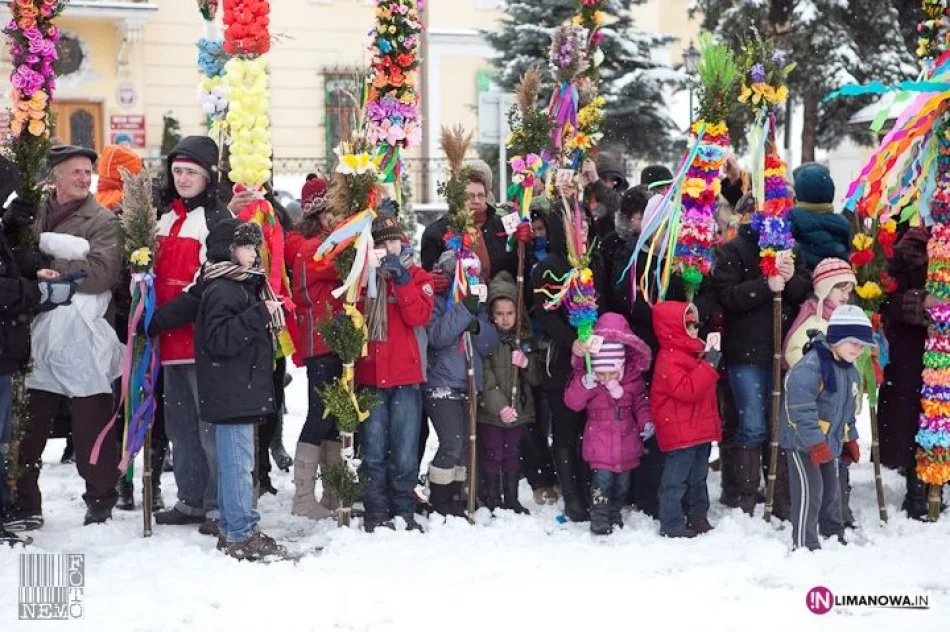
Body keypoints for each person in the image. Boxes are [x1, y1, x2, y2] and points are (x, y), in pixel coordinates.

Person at [16, 145, 123, 528]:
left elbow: (102, 274)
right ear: (55, 176)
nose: (83, 178)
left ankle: (100, 498)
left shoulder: (103, 219)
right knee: (29, 425)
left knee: (90, 422)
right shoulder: (32, 212)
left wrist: (50, 267)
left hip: (83, 335)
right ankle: (24, 501)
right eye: (75, 172)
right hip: (38, 330)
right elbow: (16, 257)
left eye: (87, 172)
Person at [150, 136, 232, 534]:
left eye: (191, 173)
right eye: (177, 171)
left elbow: (208, 284)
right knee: (180, 428)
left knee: (210, 429)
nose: (182, 179)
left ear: (208, 177)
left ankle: (218, 504)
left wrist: (163, 317)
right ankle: (191, 499)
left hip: (201, 342)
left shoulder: (218, 220)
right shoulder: (165, 218)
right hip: (167, 346)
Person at [712, 194, 811, 515]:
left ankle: (779, 494)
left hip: (782, 352)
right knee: (752, 424)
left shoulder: (790, 248)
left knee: (780, 424)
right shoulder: (734, 250)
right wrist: (764, 285)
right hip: (747, 353)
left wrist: (790, 277)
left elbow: (801, 293)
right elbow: (728, 296)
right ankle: (744, 494)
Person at [195, 218, 285, 560]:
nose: (255, 253)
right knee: (236, 463)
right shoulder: (223, 289)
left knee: (237, 461)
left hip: (238, 388)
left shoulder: (240, 285)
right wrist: (258, 314)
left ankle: (235, 524)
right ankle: (240, 531)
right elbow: (219, 340)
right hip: (231, 390)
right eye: (248, 246)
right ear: (229, 250)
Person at [0, 157, 78, 541]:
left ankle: (3, 508)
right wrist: (39, 292)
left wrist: (28, 264)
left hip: (5, 349)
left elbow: (7, 268)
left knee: (3, 436)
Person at [357, 215, 434, 532]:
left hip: (405, 379)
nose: (388, 249)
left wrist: (401, 280)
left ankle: (403, 508)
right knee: (373, 450)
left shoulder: (417, 276)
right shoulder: (362, 278)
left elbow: (418, 316)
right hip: (371, 377)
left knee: (404, 451)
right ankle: (375, 508)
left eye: (393, 242)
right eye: (381, 243)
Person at [532, 203, 606, 522]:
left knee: (592, 428)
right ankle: (573, 497)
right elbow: (545, 314)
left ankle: (593, 490)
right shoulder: (548, 267)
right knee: (564, 429)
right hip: (562, 359)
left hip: (596, 356)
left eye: (587, 223)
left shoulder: (597, 262)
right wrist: (570, 339)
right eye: (577, 225)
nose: (584, 229)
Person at [780, 305, 872, 550]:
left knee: (832, 490)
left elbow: (847, 412)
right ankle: (804, 543)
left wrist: (849, 439)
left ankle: (832, 532)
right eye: (853, 342)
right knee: (811, 491)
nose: (858, 349)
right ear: (837, 337)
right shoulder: (811, 366)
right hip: (802, 443)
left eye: (862, 345)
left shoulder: (849, 371)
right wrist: (814, 442)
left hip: (828, 442)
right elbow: (799, 408)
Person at [284, 174, 344, 520]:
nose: (336, 218)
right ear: (316, 214)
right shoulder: (309, 247)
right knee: (319, 415)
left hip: (335, 339)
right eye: (331, 212)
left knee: (333, 417)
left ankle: (333, 493)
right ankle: (303, 497)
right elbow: (341, 263)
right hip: (319, 340)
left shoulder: (325, 241)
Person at [564, 313, 653, 535]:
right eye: (600, 373)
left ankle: (615, 511)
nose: (605, 379)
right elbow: (572, 403)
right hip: (599, 442)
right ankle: (600, 514)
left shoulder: (632, 383)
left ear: (621, 368)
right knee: (601, 483)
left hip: (626, 442)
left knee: (622, 484)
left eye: (610, 373)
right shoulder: (590, 383)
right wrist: (584, 384)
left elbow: (641, 403)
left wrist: (646, 422)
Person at [426, 250, 499, 518]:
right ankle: (439, 497)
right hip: (442, 383)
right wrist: (463, 310)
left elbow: (490, 344)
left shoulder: (475, 305)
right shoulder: (436, 301)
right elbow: (438, 336)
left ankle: (457, 495)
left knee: (466, 446)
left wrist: (477, 323)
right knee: (452, 443)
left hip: (469, 384)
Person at [651, 302, 722, 538]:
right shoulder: (668, 359)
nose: (694, 329)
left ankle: (697, 514)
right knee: (676, 479)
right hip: (680, 430)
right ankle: (671, 522)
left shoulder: (694, 351)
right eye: (688, 325)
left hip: (697, 427)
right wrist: (709, 365)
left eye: (696, 324)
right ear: (673, 329)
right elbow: (688, 390)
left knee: (698, 476)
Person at [877, 225, 933, 520]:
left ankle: (939, 483)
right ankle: (917, 491)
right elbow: (886, 301)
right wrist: (921, 303)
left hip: (942, 352)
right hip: (911, 351)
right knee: (915, 417)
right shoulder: (907, 250)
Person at [477, 271, 539, 514]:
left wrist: (526, 364)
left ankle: (511, 497)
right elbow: (486, 376)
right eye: (499, 314)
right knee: (493, 452)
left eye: (510, 313)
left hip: (519, 409)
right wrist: (500, 406)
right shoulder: (487, 340)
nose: (505, 319)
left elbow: (535, 378)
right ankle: (492, 495)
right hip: (492, 412)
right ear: (492, 315)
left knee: (512, 453)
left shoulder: (523, 338)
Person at [789, 163, 852, 272]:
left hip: (805, 277)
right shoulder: (842, 222)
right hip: (835, 277)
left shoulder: (793, 217)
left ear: (799, 191)